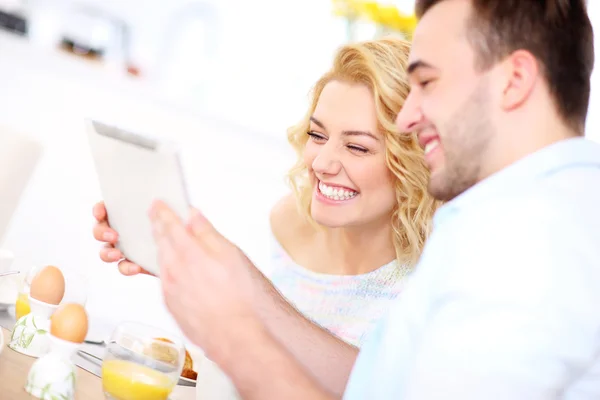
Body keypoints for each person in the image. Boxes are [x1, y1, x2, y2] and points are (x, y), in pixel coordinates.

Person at [112, 0, 600, 398]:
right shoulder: (509, 218)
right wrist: (235, 277)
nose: (408, 117)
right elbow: (376, 384)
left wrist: (234, 338)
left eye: (428, 82)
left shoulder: (533, 248)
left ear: (514, 81)